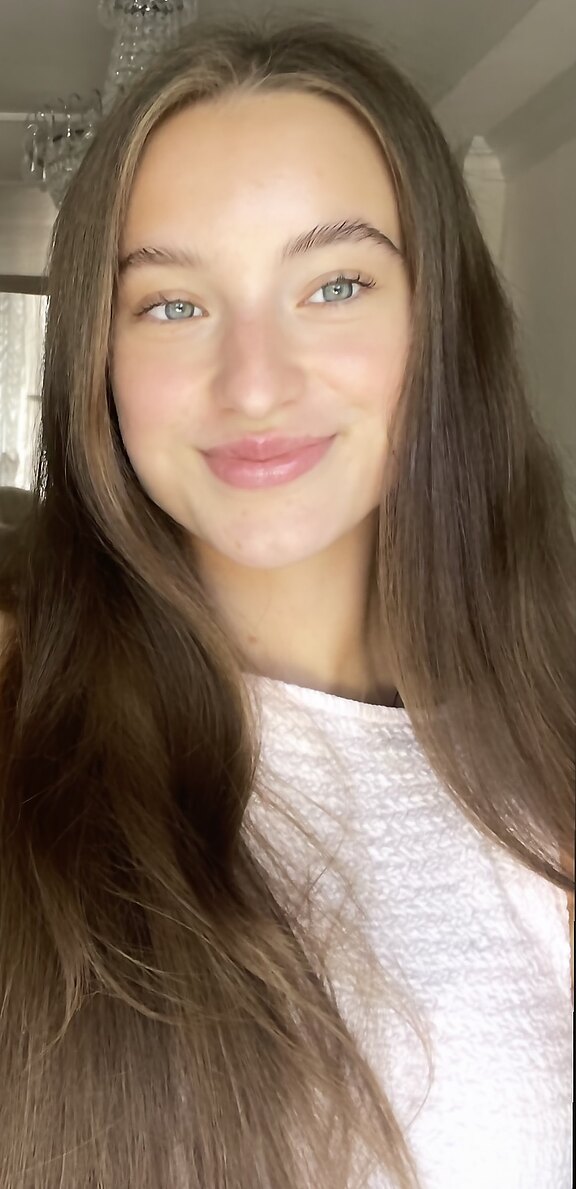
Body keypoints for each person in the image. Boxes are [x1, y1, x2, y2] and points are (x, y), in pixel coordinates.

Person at [0, 15, 573, 1189]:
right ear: (97, 359)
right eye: (172, 304)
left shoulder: (547, 733)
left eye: (336, 285)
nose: (254, 383)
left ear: (441, 323)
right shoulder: (23, 738)